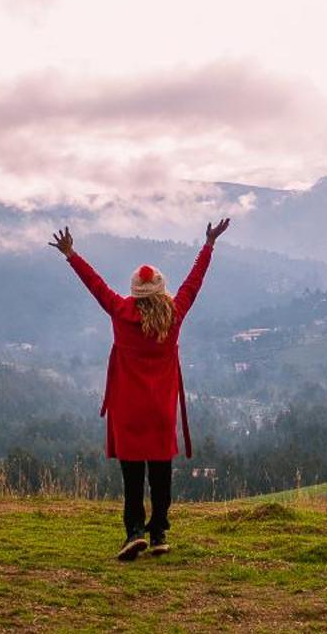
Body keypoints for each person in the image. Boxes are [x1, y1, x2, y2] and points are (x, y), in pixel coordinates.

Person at [52, 216, 229, 561]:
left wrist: (71, 254)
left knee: (132, 476)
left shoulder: (120, 311)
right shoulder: (174, 314)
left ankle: (134, 531)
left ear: (135, 291)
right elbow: (194, 283)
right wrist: (208, 245)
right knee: (161, 473)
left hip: (127, 408)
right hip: (161, 407)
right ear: (161, 290)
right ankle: (159, 531)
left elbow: (96, 285)